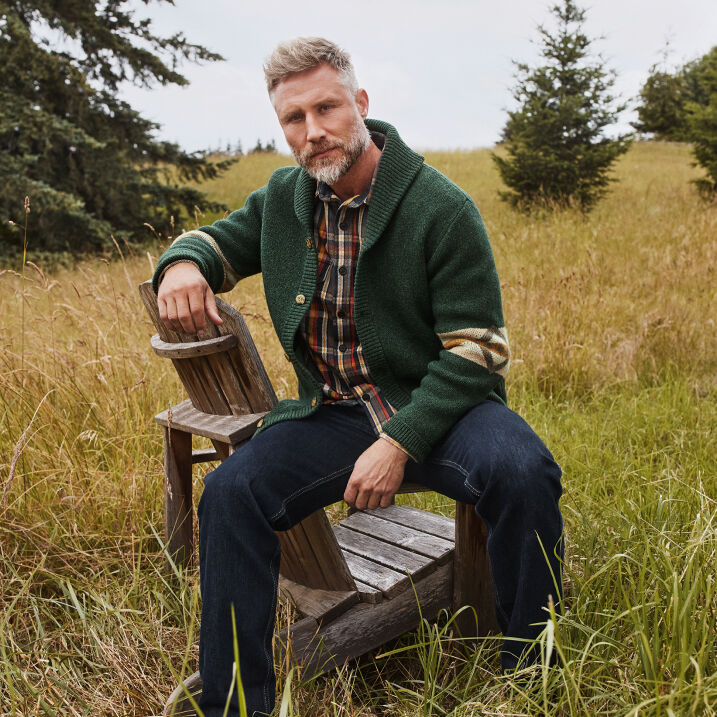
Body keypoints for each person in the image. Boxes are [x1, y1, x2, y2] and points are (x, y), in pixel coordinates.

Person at [152, 37, 564, 717]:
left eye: (326, 108)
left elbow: (478, 349)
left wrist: (399, 440)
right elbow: (213, 241)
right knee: (230, 494)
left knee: (523, 471)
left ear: (360, 104)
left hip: (441, 405)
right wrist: (182, 265)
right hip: (335, 412)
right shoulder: (285, 199)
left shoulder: (440, 206)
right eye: (293, 119)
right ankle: (232, 704)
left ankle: (531, 672)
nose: (312, 132)